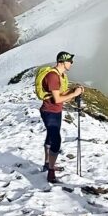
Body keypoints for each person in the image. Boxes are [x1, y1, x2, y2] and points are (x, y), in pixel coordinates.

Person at [39, 51, 84, 184]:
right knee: (56, 141)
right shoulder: (53, 76)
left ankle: (48, 164)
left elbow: (60, 95)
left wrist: (73, 92)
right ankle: (51, 173)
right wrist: (74, 93)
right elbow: (58, 99)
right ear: (62, 62)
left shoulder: (60, 75)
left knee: (51, 136)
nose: (71, 63)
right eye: (70, 61)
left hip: (54, 111)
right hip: (50, 112)